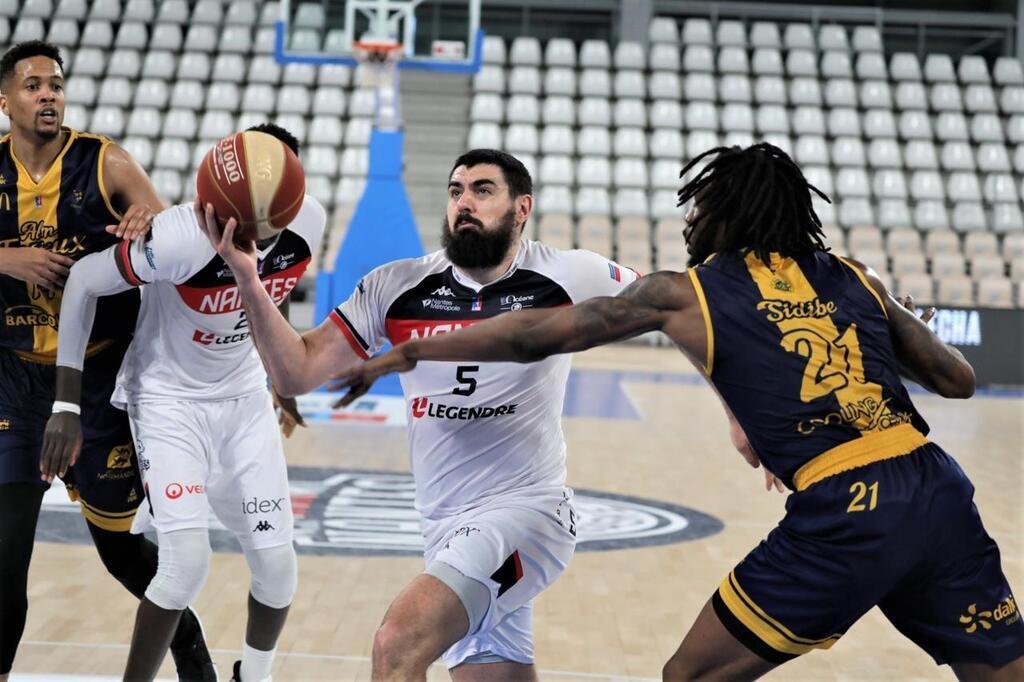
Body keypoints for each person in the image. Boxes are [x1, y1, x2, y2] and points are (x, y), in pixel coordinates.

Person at [332, 143, 1024, 681]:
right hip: (938, 491)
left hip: (848, 507)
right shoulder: (853, 275)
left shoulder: (687, 292)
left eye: (700, 208)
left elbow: (531, 333)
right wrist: (891, 316)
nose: (690, 220)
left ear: (728, 213)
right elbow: (956, 379)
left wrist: (412, 355)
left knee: (689, 673)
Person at [195, 148, 642, 680]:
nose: (464, 203)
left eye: (482, 190)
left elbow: (678, 303)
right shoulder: (398, 287)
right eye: (456, 192)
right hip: (445, 525)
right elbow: (297, 372)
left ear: (522, 208)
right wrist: (248, 279)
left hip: (530, 511)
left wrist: (740, 413)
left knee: (398, 643)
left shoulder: (570, 274)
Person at [41, 124, 323, 682]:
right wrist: (66, 404)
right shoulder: (176, 238)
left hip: (243, 396)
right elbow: (82, 281)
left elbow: (273, 296)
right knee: (184, 566)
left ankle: (255, 676)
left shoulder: (306, 220)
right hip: (169, 399)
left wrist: (282, 380)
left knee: (277, 568)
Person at [0, 40, 214, 680]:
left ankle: (196, 664)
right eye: (34, 84)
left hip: (96, 382)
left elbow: (172, 234)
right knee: (7, 555)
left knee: (125, 556)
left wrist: (149, 215)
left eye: (56, 85)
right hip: (14, 383)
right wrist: (6, 259)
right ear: (4, 99)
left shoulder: (106, 161)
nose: (48, 94)